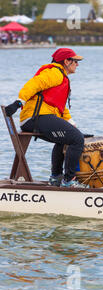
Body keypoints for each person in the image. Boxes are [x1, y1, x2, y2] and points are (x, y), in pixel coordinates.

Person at [4, 48, 85, 188]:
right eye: (75, 61)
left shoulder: (61, 76)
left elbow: (60, 106)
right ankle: (68, 181)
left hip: (38, 117)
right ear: (66, 61)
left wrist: (71, 123)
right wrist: (18, 103)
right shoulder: (55, 73)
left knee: (67, 137)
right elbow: (33, 84)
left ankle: (56, 178)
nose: (77, 64)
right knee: (77, 139)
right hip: (35, 117)